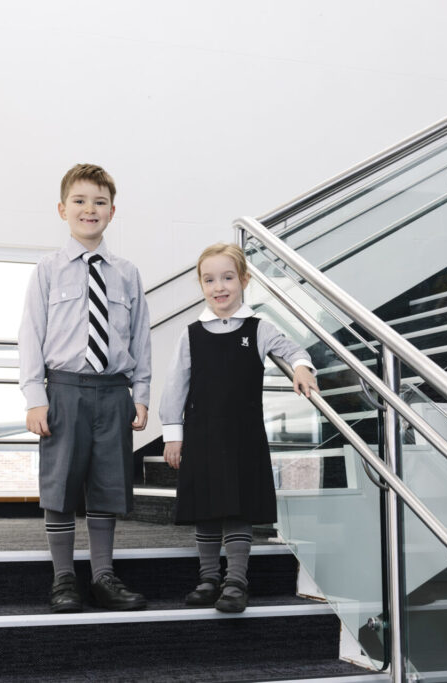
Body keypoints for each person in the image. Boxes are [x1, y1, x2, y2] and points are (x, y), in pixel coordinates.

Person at [19, 163, 151, 613]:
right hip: (64, 390)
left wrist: (141, 393)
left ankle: (103, 577)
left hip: (114, 392)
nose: (89, 209)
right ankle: (63, 579)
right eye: (79, 201)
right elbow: (30, 335)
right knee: (60, 486)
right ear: (63, 209)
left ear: (112, 211)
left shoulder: (127, 273)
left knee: (108, 485)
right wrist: (35, 398)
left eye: (99, 202)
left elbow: (140, 338)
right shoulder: (48, 270)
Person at [160, 242, 317, 613]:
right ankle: (208, 578)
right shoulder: (191, 333)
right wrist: (172, 434)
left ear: (244, 280)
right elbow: (175, 385)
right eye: (210, 280)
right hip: (201, 434)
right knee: (205, 509)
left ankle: (236, 581)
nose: (219, 287)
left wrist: (301, 367)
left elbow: (293, 349)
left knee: (237, 508)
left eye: (228, 278)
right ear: (201, 285)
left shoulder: (259, 329)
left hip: (243, 437)